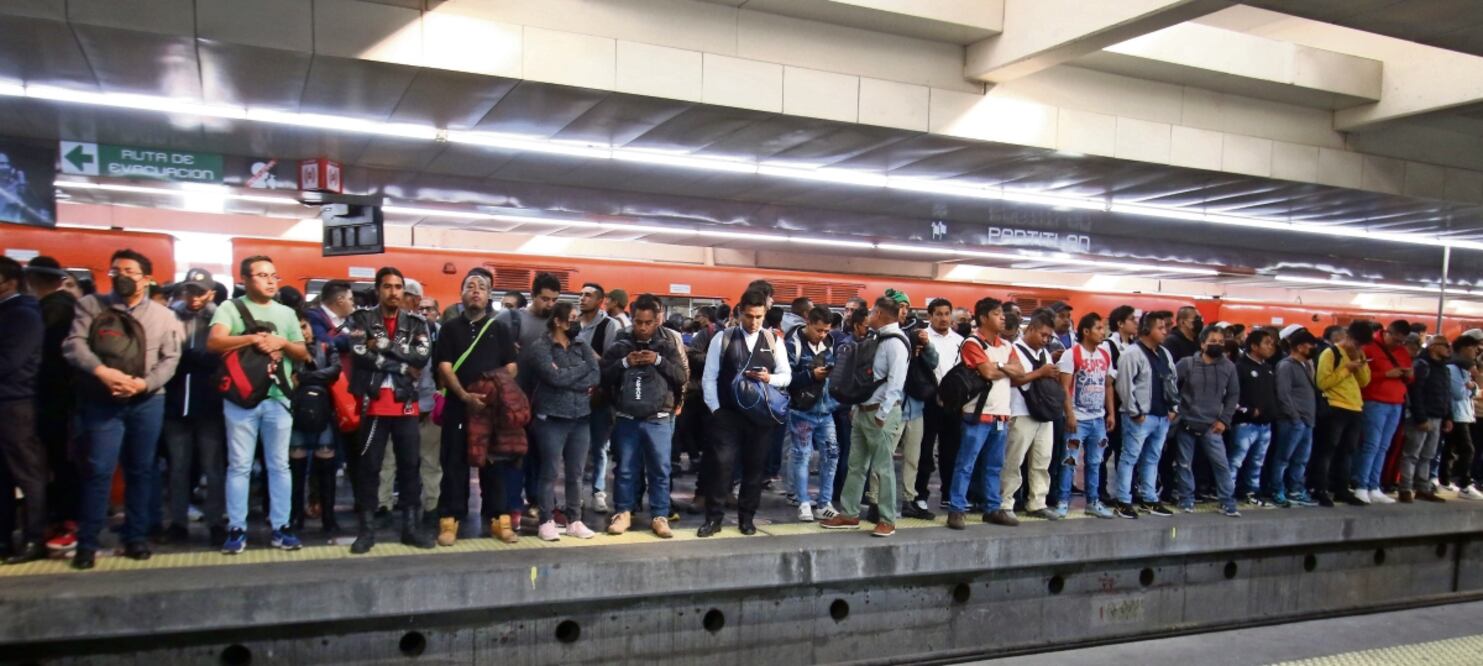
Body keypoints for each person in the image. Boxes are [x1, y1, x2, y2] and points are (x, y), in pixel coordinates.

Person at [65, 249, 182, 569]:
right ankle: (87, 543)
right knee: (98, 469)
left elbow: (171, 359)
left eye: (130, 271)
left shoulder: (163, 316)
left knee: (142, 470)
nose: (122, 276)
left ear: (146, 279)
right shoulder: (90, 305)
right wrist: (104, 373)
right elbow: (75, 345)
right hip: (102, 399)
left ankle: (136, 537)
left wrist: (143, 384)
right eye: (116, 270)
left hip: (147, 401)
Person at [207, 256, 308, 555]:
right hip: (242, 398)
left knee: (279, 465)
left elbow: (302, 352)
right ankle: (237, 528)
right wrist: (253, 338)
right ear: (245, 279)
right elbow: (214, 343)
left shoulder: (287, 313)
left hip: (279, 398)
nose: (270, 281)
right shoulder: (230, 308)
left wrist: (281, 343)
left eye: (273, 276)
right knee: (239, 466)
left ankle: (282, 526)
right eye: (262, 275)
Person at [343, 267, 434, 553]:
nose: (393, 292)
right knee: (369, 468)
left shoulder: (418, 323)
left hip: (405, 403)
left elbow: (422, 356)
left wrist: (382, 344)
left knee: (410, 468)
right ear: (378, 289)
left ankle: (410, 528)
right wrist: (401, 364)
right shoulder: (360, 318)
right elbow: (359, 353)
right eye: (387, 286)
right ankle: (366, 531)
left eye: (398, 287)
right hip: (372, 403)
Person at [434, 268, 519, 546]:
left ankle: (498, 518)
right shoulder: (449, 328)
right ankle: (450, 519)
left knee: (493, 464)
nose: (475, 290)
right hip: (458, 408)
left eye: (481, 287)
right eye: (470, 286)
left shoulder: (500, 328)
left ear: (489, 295)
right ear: (461, 294)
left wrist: (492, 392)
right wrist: (463, 395)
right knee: (454, 463)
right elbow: (444, 366)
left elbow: (511, 365)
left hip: (490, 410)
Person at [697, 288, 791, 537]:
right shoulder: (723, 338)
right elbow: (710, 377)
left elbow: (786, 376)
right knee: (721, 468)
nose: (754, 322)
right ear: (740, 313)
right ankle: (713, 519)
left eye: (759, 317)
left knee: (754, 469)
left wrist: (769, 378)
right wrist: (716, 410)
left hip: (760, 417)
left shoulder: (774, 341)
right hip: (727, 414)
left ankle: (746, 519)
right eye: (749, 316)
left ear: (765, 314)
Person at [820, 296, 911, 537]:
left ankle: (887, 519)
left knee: (882, 468)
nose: (868, 316)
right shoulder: (877, 338)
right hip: (863, 410)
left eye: (872, 312)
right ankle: (850, 513)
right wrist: (856, 406)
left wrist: (882, 413)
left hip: (882, 413)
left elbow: (896, 382)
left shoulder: (896, 343)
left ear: (880, 314)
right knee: (856, 464)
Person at [602, 294, 687, 538]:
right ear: (632, 318)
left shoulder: (667, 344)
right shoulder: (620, 344)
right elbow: (603, 375)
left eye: (647, 322)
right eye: (638, 322)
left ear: (657, 321)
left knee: (660, 469)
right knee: (626, 468)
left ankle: (660, 515)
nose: (642, 327)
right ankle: (623, 513)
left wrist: (658, 360)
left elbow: (681, 376)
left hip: (659, 417)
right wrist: (625, 363)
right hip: (627, 416)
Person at [523, 301, 600, 541]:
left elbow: (595, 374)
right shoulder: (541, 347)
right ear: (558, 321)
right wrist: (581, 371)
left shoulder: (581, 344)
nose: (576, 322)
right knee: (549, 471)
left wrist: (569, 376)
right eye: (573, 318)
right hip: (551, 420)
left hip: (581, 418)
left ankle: (574, 520)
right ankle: (546, 520)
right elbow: (553, 377)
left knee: (575, 474)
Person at [944, 297, 1023, 530]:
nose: (1003, 318)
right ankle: (956, 509)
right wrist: (1000, 368)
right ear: (983, 318)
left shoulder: (1007, 345)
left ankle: (992, 508)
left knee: (994, 465)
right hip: (977, 414)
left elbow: (1018, 372)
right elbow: (987, 372)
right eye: (997, 313)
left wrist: (998, 367)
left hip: (1001, 414)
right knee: (966, 463)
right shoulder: (973, 343)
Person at [160, 268, 227, 545]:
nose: (194, 296)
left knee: (213, 467)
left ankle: (215, 521)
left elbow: (222, 356)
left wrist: (191, 359)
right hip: (176, 404)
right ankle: (177, 521)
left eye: (199, 291)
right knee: (178, 466)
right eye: (189, 290)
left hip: (210, 404)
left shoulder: (221, 319)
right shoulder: (170, 316)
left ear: (210, 293)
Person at [24, 257, 81, 554]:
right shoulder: (68, 306)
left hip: (53, 400)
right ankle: (65, 518)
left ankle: (65, 520)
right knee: (62, 460)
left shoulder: (52, 309)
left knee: (58, 461)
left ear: (32, 279)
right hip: (65, 398)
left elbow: (44, 359)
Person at [376, 279, 441, 523]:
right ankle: (388, 503)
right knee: (395, 458)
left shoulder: (422, 327)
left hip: (417, 402)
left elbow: (423, 367)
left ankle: (428, 505)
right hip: (395, 401)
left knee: (424, 459)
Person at [0, 257, 46, 563]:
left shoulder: (23, 315)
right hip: (6, 402)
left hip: (15, 405)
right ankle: (4, 537)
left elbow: (10, 361)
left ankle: (34, 537)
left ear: (11, 281)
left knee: (27, 473)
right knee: (2, 475)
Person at [1112, 311, 1178, 519]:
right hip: (1140, 417)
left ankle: (1148, 497)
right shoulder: (1132, 353)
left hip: (1161, 416)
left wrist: (1173, 407)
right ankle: (1123, 500)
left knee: (1152, 458)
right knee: (1129, 457)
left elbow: (1172, 380)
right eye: (1160, 327)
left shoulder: (1165, 354)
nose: (1165, 331)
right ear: (1147, 329)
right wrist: (1135, 411)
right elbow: (1124, 385)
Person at [877, 288, 936, 521]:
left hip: (915, 406)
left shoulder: (919, 332)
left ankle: (908, 499)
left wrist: (927, 346)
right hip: (892, 405)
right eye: (899, 307)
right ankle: (876, 500)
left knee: (913, 457)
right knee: (883, 456)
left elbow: (933, 362)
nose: (904, 311)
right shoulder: (885, 336)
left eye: (906, 307)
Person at [1001, 311, 1063, 522]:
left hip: (1043, 414)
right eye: (1042, 335)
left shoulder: (1044, 354)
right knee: (1013, 460)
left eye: (1048, 337)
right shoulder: (1012, 350)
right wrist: (1040, 373)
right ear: (1031, 329)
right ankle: (1005, 502)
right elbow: (1012, 380)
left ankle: (1037, 502)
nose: (1045, 340)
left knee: (1041, 460)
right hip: (1020, 412)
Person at [1173, 326, 1241, 517]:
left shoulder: (1229, 367)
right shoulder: (1187, 364)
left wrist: (1224, 420)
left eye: (1221, 342)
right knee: (1184, 463)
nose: (1218, 345)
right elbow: (1171, 385)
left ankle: (1228, 502)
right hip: (1186, 423)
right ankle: (1186, 499)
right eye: (1213, 341)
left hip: (1213, 425)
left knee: (1221, 464)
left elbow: (1233, 395)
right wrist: (1176, 410)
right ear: (1202, 343)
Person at [783, 305, 840, 522]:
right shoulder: (792, 345)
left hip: (826, 411)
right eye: (819, 330)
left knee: (831, 455)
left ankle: (824, 502)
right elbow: (785, 379)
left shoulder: (829, 344)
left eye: (826, 331)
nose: (822, 335)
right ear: (808, 323)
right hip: (801, 411)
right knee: (801, 455)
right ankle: (803, 501)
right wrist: (810, 375)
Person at [1058, 312, 1117, 519]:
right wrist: (1070, 415)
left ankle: (1093, 501)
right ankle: (1063, 502)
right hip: (1078, 420)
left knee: (1095, 461)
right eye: (1099, 328)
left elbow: (1108, 385)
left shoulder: (1105, 355)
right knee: (1069, 461)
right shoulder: (1071, 354)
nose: (1103, 333)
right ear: (1086, 331)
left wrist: (1110, 413)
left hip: (1098, 420)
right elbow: (1064, 388)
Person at [289, 311, 343, 533]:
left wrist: (303, 378)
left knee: (326, 469)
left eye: (306, 326)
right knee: (296, 471)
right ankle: (295, 516)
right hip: (297, 414)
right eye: (299, 327)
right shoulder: (290, 350)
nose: (304, 331)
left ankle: (328, 518)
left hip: (323, 412)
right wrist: (318, 376)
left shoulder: (326, 346)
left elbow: (335, 371)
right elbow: (328, 373)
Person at [1314, 322, 1373, 507]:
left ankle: (1341, 489)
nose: (1357, 347)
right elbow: (1322, 382)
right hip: (1334, 407)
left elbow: (1364, 382)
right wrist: (1347, 368)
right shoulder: (1331, 353)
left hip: (1355, 407)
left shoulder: (1359, 354)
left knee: (1347, 451)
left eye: (1361, 345)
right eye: (1355, 343)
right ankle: (1320, 488)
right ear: (1347, 337)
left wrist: (1360, 366)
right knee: (1327, 450)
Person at [1355, 320, 1414, 504]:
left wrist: (1407, 374)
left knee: (1383, 446)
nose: (1399, 344)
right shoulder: (1368, 348)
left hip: (1396, 403)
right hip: (1374, 402)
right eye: (1396, 340)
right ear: (1387, 332)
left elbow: (1412, 378)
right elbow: (1359, 376)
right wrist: (1386, 375)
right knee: (1371, 444)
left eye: (1402, 341)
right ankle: (1361, 485)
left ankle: (1374, 486)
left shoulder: (1403, 352)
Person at [916, 298, 962, 512]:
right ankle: (920, 493)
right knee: (924, 449)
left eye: (947, 314)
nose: (944, 318)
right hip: (928, 401)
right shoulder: (922, 338)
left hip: (953, 402)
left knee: (950, 450)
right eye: (939, 314)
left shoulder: (961, 341)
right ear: (930, 316)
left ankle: (948, 492)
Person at [1267, 329, 1320, 508]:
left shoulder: (1307, 364)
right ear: (1299, 347)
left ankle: (1296, 490)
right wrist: (1295, 417)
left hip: (1307, 421)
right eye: (1310, 345)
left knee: (1301, 459)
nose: (1313, 348)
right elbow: (1283, 393)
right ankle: (1277, 490)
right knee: (1283, 457)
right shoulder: (1286, 365)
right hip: (1292, 421)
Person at [576, 282, 617, 515]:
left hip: (600, 396)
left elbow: (609, 363)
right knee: (577, 446)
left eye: (588, 295)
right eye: (581, 295)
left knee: (600, 446)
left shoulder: (608, 326)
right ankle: (577, 493)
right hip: (575, 395)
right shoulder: (573, 324)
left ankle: (598, 492)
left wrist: (584, 350)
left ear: (600, 301)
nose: (582, 299)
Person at [1399, 335, 1454, 503]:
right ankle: (1405, 488)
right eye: (1445, 345)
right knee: (1412, 453)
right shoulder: (1422, 365)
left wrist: (1448, 416)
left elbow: (1447, 393)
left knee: (1428, 455)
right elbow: (1415, 393)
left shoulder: (1443, 368)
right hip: (1421, 416)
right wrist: (1420, 417)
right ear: (1433, 347)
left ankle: (1422, 487)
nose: (1448, 349)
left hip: (1437, 416)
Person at [1230, 329, 1278, 506]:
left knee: (1257, 462)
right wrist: (1248, 411)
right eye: (1266, 343)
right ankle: (1228, 494)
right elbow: (1231, 396)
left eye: (1271, 343)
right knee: (1236, 461)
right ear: (1254, 346)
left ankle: (1252, 492)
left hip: (1265, 425)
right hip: (1245, 424)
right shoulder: (1240, 367)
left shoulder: (1268, 368)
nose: (1270, 347)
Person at [1449, 337, 1482, 500]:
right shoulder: (1453, 368)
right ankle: (1463, 483)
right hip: (1456, 414)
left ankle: (1449, 480)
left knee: (1452, 450)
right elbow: (1458, 393)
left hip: (1465, 413)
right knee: (1467, 449)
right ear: (1463, 348)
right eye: (1473, 347)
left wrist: (1472, 388)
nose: (1476, 351)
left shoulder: (1464, 369)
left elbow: (1474, 390)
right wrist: (1471, 389)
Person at [306, 280, 354, 351]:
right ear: (340, 300)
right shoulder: (314, 317)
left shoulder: (350, 320)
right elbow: (322, 341)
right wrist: (353, 339)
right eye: (350, 299)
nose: (353, 303)